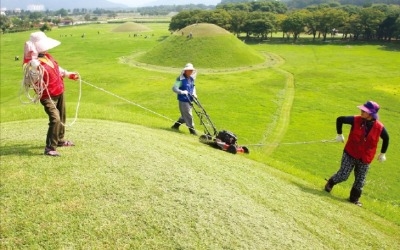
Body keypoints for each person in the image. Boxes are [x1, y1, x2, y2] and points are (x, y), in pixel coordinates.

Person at [23, 31, 79, 156]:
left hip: (59, 91)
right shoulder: (32, 63)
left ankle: (59, 140)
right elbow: (32, 80)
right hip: (47, 95)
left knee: (62, 117)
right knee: (55, 119)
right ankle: (50, 148)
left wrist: (69, 74)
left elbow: (57, 69)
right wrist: (33, 67)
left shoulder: (47, 57)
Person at [324, 101, 389, 206]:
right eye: (362, 110)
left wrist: (382, 153)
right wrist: (339, 134)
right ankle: (330, 183)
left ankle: (354, 199)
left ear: (371, 114)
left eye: (364, 111)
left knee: (360, 180)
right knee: (343, 175)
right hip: (350, 152)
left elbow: (386, 139)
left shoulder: (379, 127)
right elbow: (340, 119)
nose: (361, 111)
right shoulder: (356, 120)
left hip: (365, 157)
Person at [171, 63, 198, 135]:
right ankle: (192, 131)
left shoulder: (191, 79)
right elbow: (174, 88)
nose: (191, 72)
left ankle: (175, 126)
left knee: (184, 116)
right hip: (183, 100)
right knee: (188, 115)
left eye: (191, 70)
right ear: (185, 71)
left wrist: (194, 94)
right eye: (189, 70)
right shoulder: (180, 79)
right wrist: (182, 92)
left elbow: (193, 87)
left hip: (190, 100)